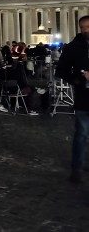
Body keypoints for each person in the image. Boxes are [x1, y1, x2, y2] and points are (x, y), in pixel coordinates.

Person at [56, 15, 89, 184]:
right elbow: (60, 70)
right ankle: (77, 168)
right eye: (82, 27)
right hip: (83, 96)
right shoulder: (73, 47)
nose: (85, 30)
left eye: (88, 27)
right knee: (82, 134)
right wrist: (77, 79)